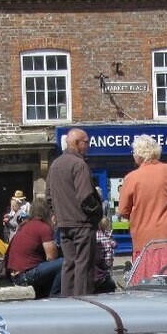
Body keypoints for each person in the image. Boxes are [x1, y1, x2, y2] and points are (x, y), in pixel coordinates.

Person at [118, 134, 167, 263]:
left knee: (146, 278)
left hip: (143, 238)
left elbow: (123, 211)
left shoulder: (131, 178)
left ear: (138, 155)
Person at [46, 127, 101, 296]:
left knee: (69, 264)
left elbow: (48, 196)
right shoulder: (79, 165)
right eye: (86, 142)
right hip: (82, 223)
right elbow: (85, 197)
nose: (88, 145)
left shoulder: (55, 164)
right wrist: (96, 212)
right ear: (77, 144)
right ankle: (82, 304)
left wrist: (57, 213)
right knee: (83, 265)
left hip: (64, 223)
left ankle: (67, 301)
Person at [4, 198, 62, 298]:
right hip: (25, 275)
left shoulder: (25, 225)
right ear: (47, 213)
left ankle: (42, 296)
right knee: (63, 263)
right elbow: (51, 257)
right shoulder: (43, 228)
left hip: (13, 274)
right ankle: (54, 296)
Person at [94, 216, 117, 294]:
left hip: (100, 258)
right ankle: (108, 281)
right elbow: (114, 245)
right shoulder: (108, 234)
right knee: (109, 272)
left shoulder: (96, 234)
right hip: (109, 258)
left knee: (102, 271)